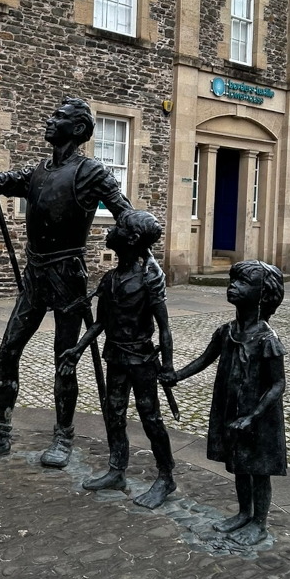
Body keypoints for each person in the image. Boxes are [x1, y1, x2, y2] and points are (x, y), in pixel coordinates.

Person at [0, 97, 131, 469]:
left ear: (79, 130)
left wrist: (130, 269)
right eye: (52, 114)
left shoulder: (92, 173)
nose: (50, 120)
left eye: (59, 117)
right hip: (35, 276)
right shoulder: (36, 172)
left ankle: (63, 437)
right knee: (8, 351)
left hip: (67, 278)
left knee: (64, 359)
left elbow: (129, 218)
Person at [160, 261, 287, 545]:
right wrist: (176, 376)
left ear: (263, 295)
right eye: (233, 281)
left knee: (259, 469)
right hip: (232, 409)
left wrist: (253, 416)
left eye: (242, 283)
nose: (233, 287)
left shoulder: (267, 339)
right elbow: (205, 360)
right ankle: (244, 513)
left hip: (258, 417)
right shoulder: (226, 332)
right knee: (239, 464)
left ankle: (259, 522)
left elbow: (279, 384)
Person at [59, 209, 177, 508]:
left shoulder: (149, 280)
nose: (110, 230)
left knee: (150, 418)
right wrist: (77, 349)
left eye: (119, 227)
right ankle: (116, 468)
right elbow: (100, 323)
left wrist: (168, 366)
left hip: (141, 359)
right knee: (114, 413)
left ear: (132, 239)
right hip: (116, 357)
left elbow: (164, 327)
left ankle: (165, 477)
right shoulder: (110, 279)